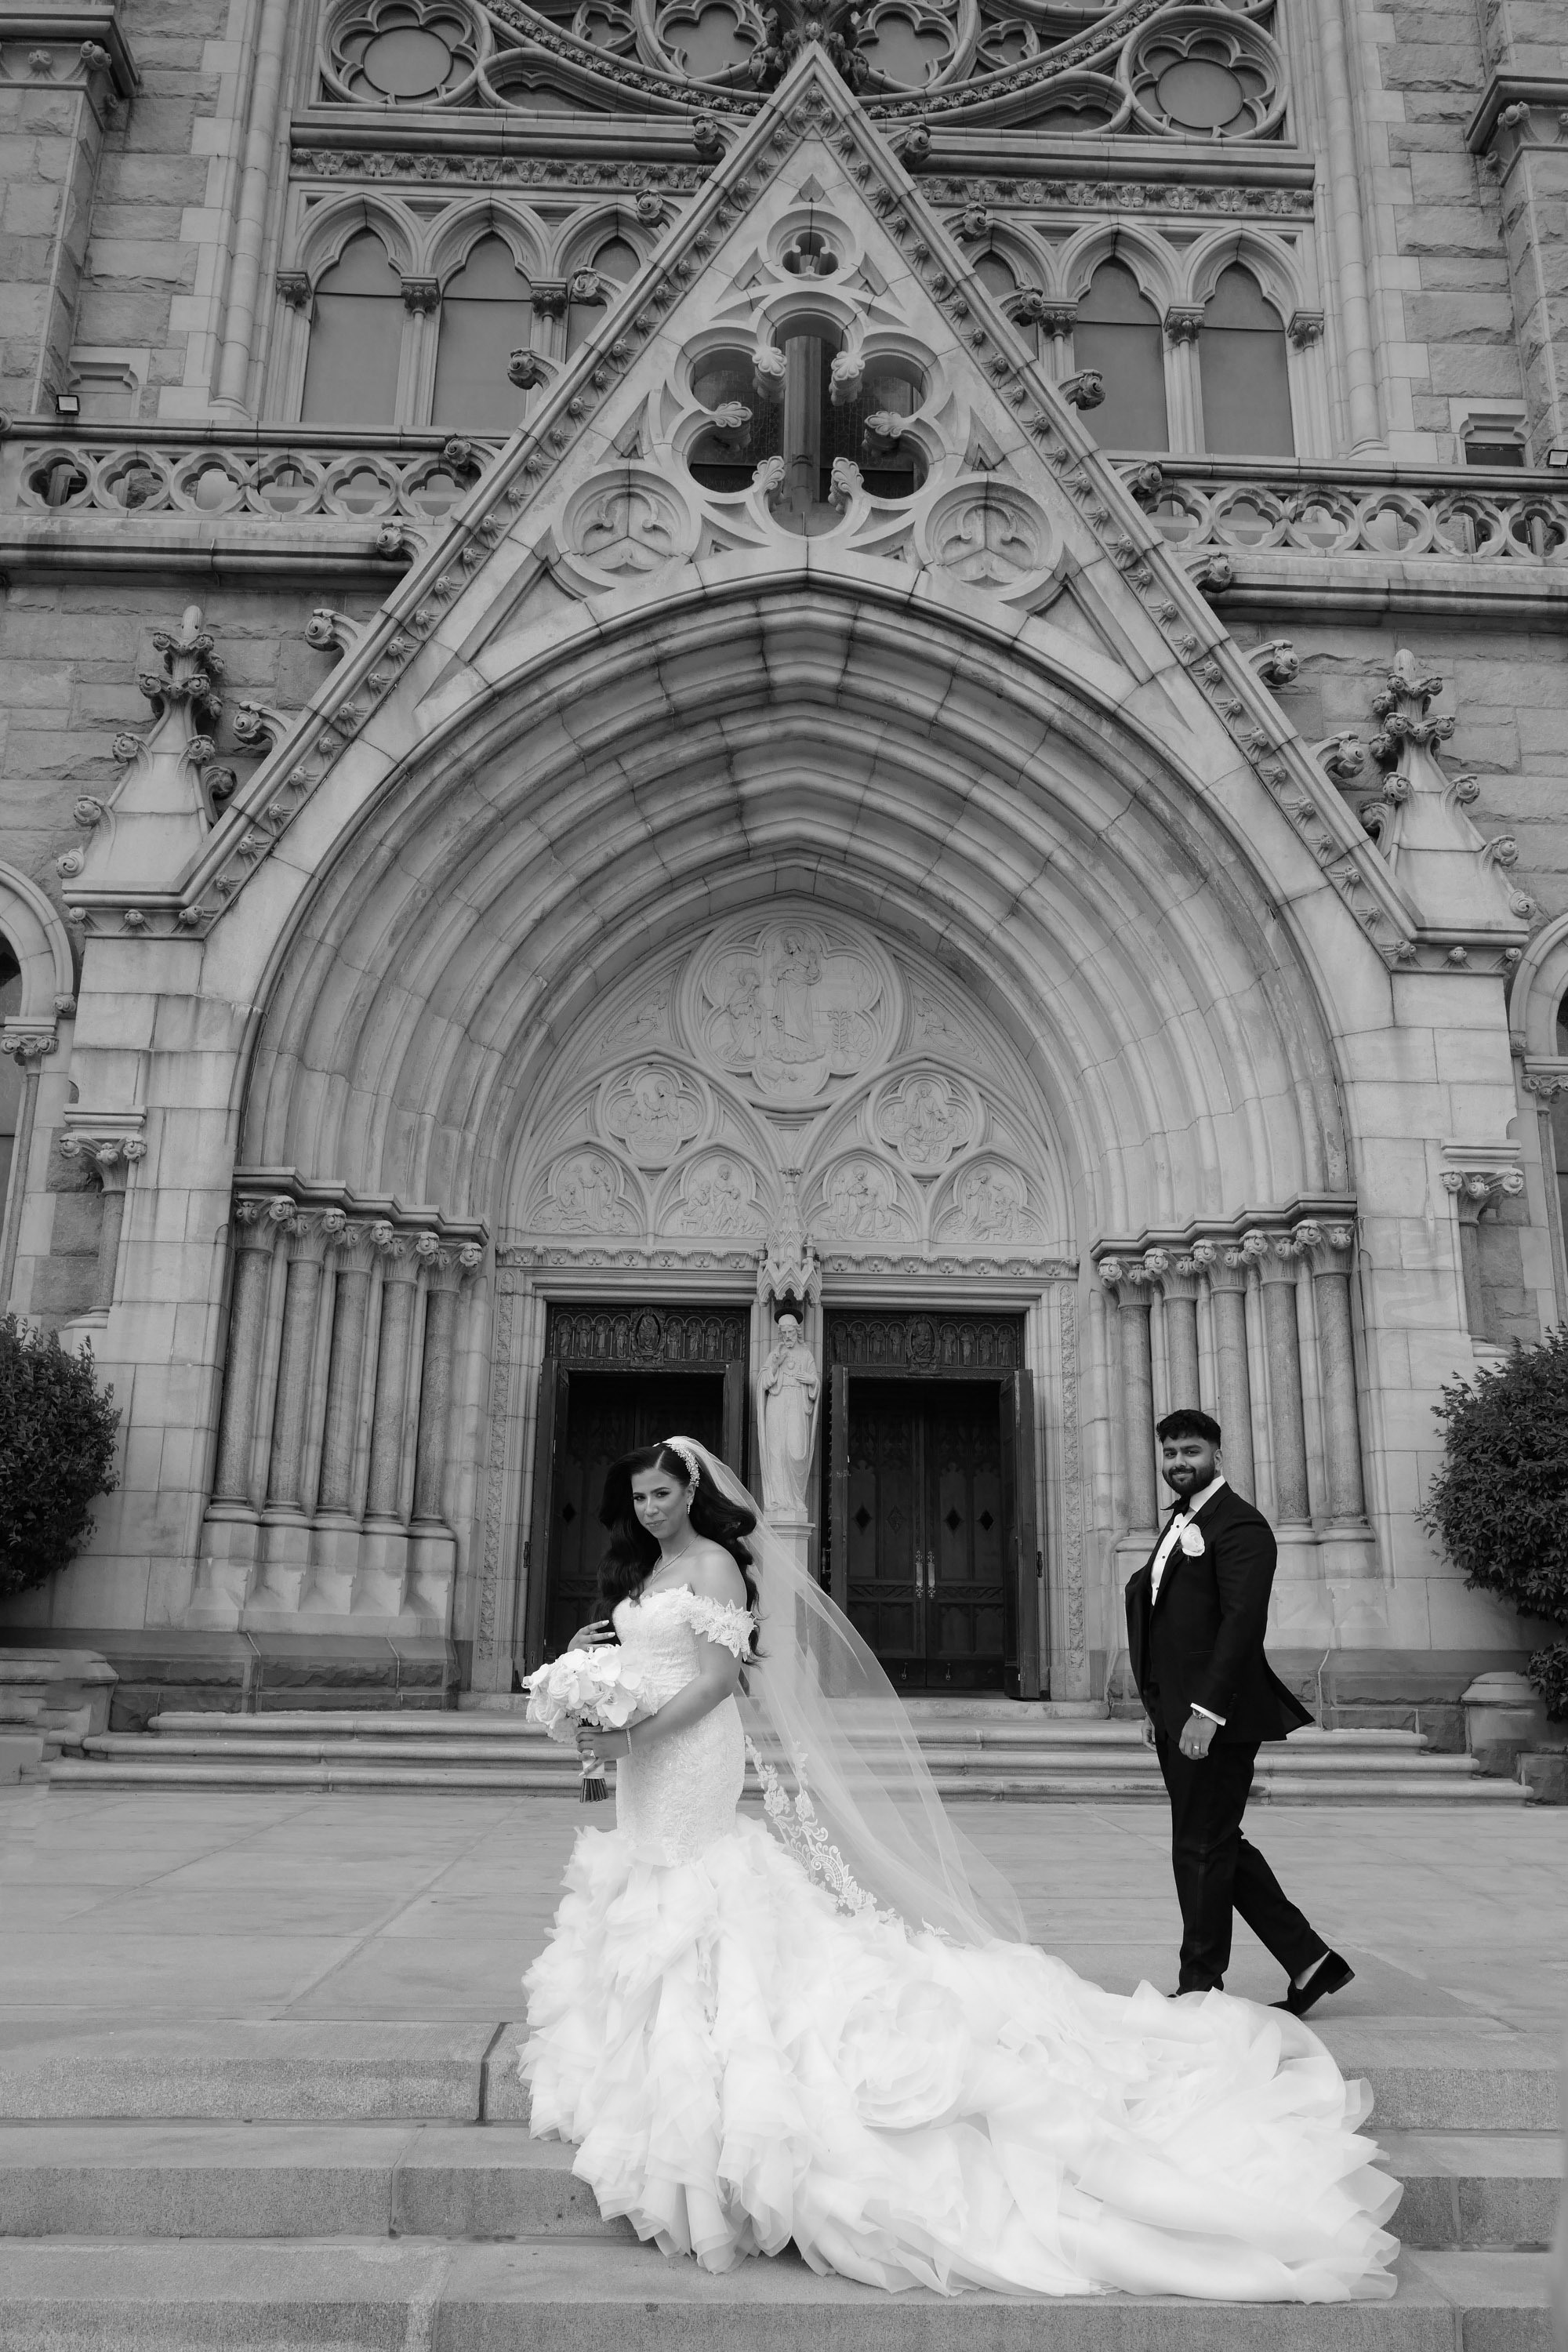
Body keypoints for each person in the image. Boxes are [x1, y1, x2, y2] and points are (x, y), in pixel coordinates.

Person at [521, 1434, 1399, 2300]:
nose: (649, 1510)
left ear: (690, 1494)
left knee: (701, 1892)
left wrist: (627, 1729)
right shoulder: (638, 1574)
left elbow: (714, 1684)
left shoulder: (713, 1565)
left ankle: (714, 2059)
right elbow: (643, 1655)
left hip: (681, 1755)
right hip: (640, 1763)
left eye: (661, 1495)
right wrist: (584, 1672)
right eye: (637, 1498)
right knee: (649, 1890)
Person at [1124, 1407, 1353, 2012]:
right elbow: (1167, 1624)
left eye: (1191, 1452)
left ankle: (1200, 1986)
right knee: (1216, 1842)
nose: (1179, 1463)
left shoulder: (1241, 1526)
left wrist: (1204, 1710)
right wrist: (1160, 1707)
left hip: (1215, 1717)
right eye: (1171, 1453)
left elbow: (1240, 1626)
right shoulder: (1180, 1523)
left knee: (1199, 1847)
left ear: (1217, 1456)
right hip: (1179, 1714)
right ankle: (1312, 1962)